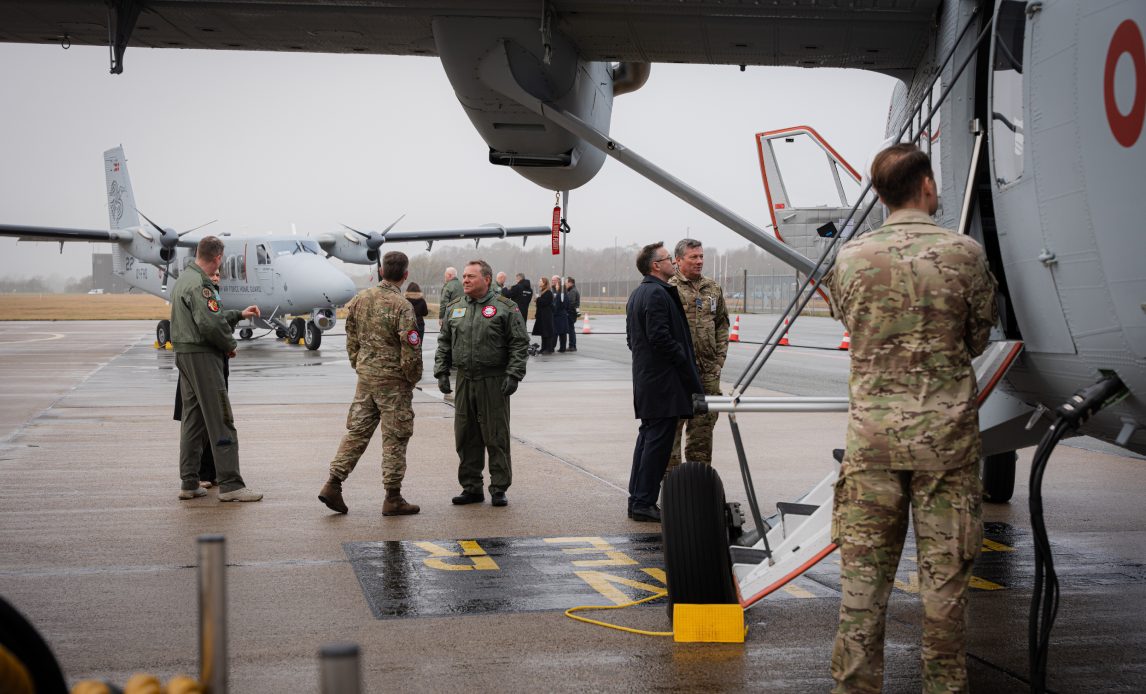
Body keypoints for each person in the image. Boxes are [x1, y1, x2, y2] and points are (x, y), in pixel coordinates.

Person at [825, 143, 998, 693]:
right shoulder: (964, 252)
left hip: (871, 444)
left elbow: (849, 322)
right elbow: (977, 338)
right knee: (944, 592)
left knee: (860, 592)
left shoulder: (851, 256)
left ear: (880, 193)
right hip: (945, 446)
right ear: (926, 185)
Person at [319, 251, 423, 516]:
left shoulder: (360, 300)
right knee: (395, 438)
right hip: (393, 384)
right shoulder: (402, 306)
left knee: (356, 433)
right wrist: (411, 378)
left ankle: (333, 483)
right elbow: (410, 349)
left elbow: (351, 339)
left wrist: (360, 365)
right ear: (405, 275)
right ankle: (393, 496)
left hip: (366, 380)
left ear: (381, 272)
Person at [170, 235, 263, 502]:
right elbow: (210, 325)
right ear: (218, 257)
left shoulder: (184, 280)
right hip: (202, 356)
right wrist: (229, 344)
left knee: (193, 420)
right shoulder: (201, 284)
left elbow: (213, 315)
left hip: (185, 355)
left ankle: (189, 482)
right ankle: (231, 485)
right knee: (221, 418)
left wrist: (238, 315)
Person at [434, 259, 529, 507]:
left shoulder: (505, 308)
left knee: (495, 434)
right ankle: (471, 487)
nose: (465, 280)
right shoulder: (455, 308)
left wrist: (514, 374)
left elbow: (520, 343)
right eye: (464, 276)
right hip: (465, 379)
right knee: (466, 435)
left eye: (471, 277)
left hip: (493, 380)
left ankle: (499, 487)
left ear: (486, 279)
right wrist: (441, 371)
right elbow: (444, 342)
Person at [625, 242, 703, 522]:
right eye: (669, 259)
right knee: (656, 446)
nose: (672, 262)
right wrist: (682, 359)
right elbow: (659, 337)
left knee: (647, 442)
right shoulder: (656, 294)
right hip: (662, 384)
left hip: (650, 381)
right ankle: (643, 501)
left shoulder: (639, 293)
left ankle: (638, 499)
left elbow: (632, 340)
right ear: (656, 266)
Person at [668, 239, 729, 469]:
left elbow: (722, 324)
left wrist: (719, 359)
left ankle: (698, 483)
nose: (699, 261)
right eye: (693, 257)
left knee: (703, 431)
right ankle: (672, 488)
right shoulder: (668, 288)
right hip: (678, 372)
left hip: (708, 373)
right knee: (672, 430)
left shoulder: (712, 288)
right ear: (678, 260)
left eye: (701, 256)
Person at [172, 268, 226, 489]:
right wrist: (229, 344)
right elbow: (209, 326)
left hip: (215, 364)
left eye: (218, 275)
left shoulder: (215, 297)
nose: (215, 278)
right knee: (199, 421)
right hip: (200, 364)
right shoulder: (199, 292)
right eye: (212, 274)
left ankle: (208, 473)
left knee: (211, 420)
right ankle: (199, 474)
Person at [532, 276, 556, 354]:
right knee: (543, 332)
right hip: (542, 316)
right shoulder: (543, 291)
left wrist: (538, 299)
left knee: (547, 332)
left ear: (544, 283)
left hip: (547, 316)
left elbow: (545, 302)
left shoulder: (548, 292)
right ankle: (543, 348)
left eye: (540, 281)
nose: (539, 282)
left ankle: (549, 348)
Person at [550, 274, 570, 352]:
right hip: (559, 315)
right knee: (559, 332)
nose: (553, 282)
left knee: (558, 332)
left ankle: (556, 347)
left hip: (559, 315)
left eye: (554, 281)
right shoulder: (554, 290)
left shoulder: (561, 293)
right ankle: (560, 347)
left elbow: (558, 305)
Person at [564, 276, 581, 352]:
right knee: (571, 329)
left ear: (571, 283)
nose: (565, 284)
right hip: (571, 313)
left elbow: (571, 303)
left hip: (571, 313)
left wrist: (566, 310)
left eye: (566, 283)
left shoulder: (573, 291)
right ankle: (572, 345)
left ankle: (572, 346)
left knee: (571, 330)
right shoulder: (571, 290)